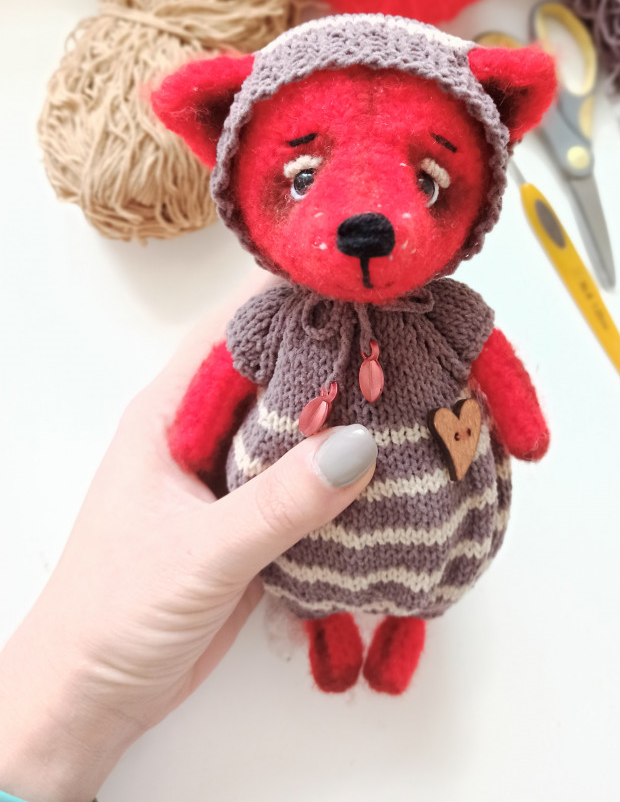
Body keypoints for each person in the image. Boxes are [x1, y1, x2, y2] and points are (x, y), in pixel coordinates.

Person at [0, 271, 378, 802]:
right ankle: (332, 623)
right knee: (315, 590)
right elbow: (224, 371)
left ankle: (396, 625)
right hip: (298, 557)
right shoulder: (273, 320)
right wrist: (197, 442)